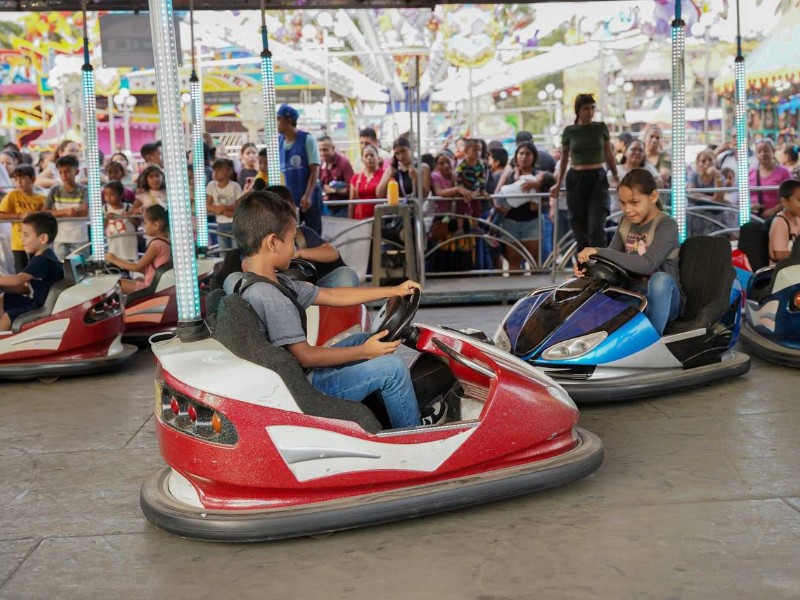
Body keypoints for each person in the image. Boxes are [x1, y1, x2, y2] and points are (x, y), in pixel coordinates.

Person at [231, 190, 445, 428]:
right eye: (292, 240)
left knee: (365, 338)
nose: (294, 249)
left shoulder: (271, 283)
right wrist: (365, 352)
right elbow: (306, 355)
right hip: (305, 391)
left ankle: (390, 412)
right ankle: (412, 436)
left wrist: (392, 290)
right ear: (272, 242)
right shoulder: (271, 296)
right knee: (392, 369)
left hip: (297, 377)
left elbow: (331, 294)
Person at [576, 169, 684, 335]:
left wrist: (599, 251)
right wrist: (587, 266)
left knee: (660, 279)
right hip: (633, 294)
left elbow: (648, 264)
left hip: (665, 299)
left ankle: (650, 340)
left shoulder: (666, 225)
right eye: (623, 203)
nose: (627, 209)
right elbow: (610, 262)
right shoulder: (626, 222)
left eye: (634, 202)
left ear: (653, 196)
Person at [550, 94, 618, 253]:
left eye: (592, 108)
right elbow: (564, 160)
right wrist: (558, 184)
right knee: (579, 227)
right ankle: (583, 269)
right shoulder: (569, 131)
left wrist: (617, 176)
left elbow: (609, 155)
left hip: (597, 177)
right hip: (576, 178)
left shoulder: (600, 128)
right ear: (578, 110)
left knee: (596, 227)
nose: (590, 111)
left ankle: (600, 268)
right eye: (586, 108)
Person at [268, 185, 359, 287]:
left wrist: (297, 254)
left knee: (346, 275)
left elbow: (332, 253)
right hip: (275, 292)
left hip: (310, 290)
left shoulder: (301, 234)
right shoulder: (260, 239)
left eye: (288, 212)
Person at [0, 212, 63, 331]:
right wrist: (4, 286)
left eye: (26, 235)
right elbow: (25, 288)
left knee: (8, 317)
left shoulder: (42, 260)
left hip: (41, 307)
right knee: (4, 299)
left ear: (43, 238)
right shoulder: (45, 256)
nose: (22, 239)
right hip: (38, 301)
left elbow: (17, 280)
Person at [495, 142, 549, 271]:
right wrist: (497, 206)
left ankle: (536, 290)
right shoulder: (508, 173)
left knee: (534, 260)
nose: (524, 157)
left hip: (532, 222)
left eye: (527, 154)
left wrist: (537, 187)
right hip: (510, 222)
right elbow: (496, 194)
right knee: (513, 259)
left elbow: (547, 200)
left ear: (534, 157)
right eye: (521, 153)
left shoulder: (540, 176)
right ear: (516, 156)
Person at [277, 103, 323, 234]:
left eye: (279, 119)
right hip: (289, 196)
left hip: (309, 193)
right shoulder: (279, 142)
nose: (276, 123)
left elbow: (315, 169)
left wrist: (308, 195)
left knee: (312, 234)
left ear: (288, 120)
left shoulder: (307, 139)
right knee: (290, 234)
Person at [106, 205, 171, 296]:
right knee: (137, 280)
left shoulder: (156, 245)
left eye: (145, 223)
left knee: (114, 284)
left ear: (156, 225)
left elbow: (137, 267)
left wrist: (114, 260)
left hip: (151, 288)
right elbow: (146, 269)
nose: (144, 226)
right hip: (158, 285)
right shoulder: (167, 242)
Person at [0, 165, 46, 273]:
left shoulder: (41, 198)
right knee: (21, 271)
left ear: (32, 179)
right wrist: (18, 216)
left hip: (37, 242)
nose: (19, 182)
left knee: (38, 270)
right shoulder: (13, 195)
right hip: (19, 243)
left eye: (23, 178)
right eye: (16, 179)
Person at [44, 155, 89, 260]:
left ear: (76, 172)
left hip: (79, 237)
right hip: (60, 237)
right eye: (61, 172)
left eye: (68, 171)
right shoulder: (55, 190)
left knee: (81, 268)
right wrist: (66, 211)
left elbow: (83, 212)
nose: (64, 175)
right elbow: (45, 212)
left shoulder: (84, 190)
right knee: (61, 268)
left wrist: (57, 213)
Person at [687, 149, 726, 236]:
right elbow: (693, 194)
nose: (707, 163)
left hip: (714, 215)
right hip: (696, 213)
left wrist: (717, 175)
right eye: (703, 161)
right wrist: (712, 199)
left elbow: (719, 197)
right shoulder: (693, 175)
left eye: (710, 160)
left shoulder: (720, 177)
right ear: (697, 163)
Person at [749, 139, 792, 219]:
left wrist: (773, 210)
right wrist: (750, 206)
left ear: (773, 151)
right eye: (759, 151)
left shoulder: (784, 172)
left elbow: (790, 196)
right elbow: (742, 196)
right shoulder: (750, 172)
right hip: (754, 218)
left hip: (778, 218)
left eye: (766, 151)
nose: (762, 154)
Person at [206, 158, 242, 251]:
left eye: (220, 169)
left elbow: (240, 206)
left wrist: (223, 208)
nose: (216, 172)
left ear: (229, 172)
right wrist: (219, 210)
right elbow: (207, 205)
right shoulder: (211, 185)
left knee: (236, 251)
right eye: (215, 169)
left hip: (234, 223)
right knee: (223, 251)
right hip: (220, 223)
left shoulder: (235, 186)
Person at [318, 135, 354, 218]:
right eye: (320, 150)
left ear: (333, 148)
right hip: (326, 208)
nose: (322, 153)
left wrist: (334, 190)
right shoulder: (320, 165)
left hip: (342, 209)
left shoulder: (344, 163)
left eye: (325, 150)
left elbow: (351, 188)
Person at [103, 181, 138, 262]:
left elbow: (137, 224)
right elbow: (103, 227)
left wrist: (129, 217)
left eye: (112, 194)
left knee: (129, 261)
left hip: (128, 242)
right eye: (106, 194)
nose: (108, 197)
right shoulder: (104, 209)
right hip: (113, 243)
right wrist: (107, 219)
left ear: (121, 195)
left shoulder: (129, 207)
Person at [349, 144, 385, 220]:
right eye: (366, 156)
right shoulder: (355, 178)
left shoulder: (384, 175)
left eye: (372, 155)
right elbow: (351, 204)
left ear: (378, 158)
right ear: (362, 159)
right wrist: (349, 221)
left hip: (379, 218)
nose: (369, 158)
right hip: (360, 219)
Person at [768, 179, 800, 264]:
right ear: (784, 201)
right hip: (782, 271)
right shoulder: (780, 222)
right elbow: (779, 254)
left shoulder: (798, 219)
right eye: (799, 200)